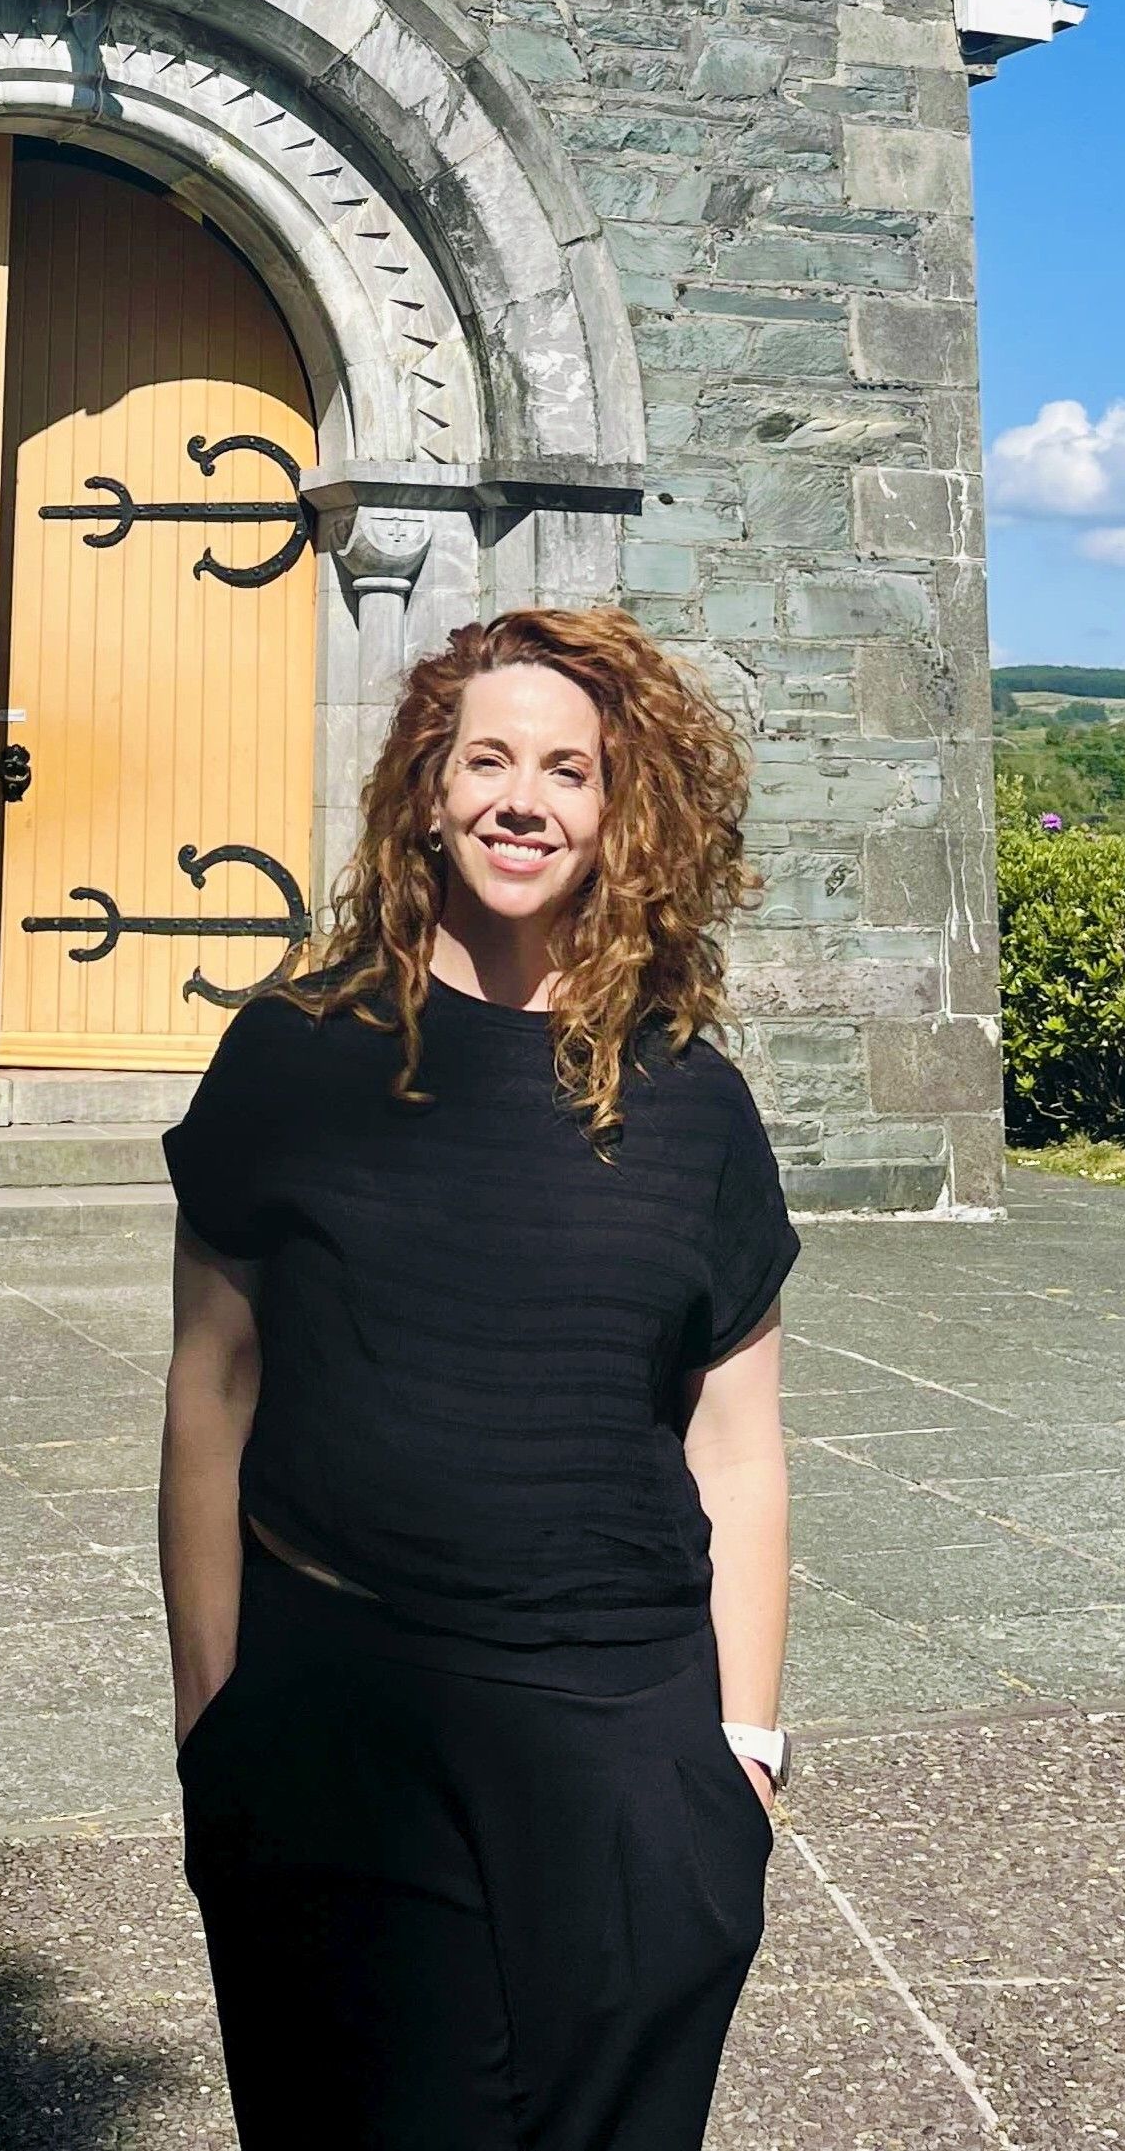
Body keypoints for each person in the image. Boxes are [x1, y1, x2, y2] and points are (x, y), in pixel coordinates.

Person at [159, 606, 799, 2151]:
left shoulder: (692, 1100)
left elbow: (740, 1445)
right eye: (488, 756)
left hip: (630, 1752)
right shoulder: (293, 1060)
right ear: (427, 791)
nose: (525, 798)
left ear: (618, 810)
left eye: (568, 769)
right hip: (341, 1731)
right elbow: (207, 1400)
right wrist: (212, 1725)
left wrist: (747, 1762)